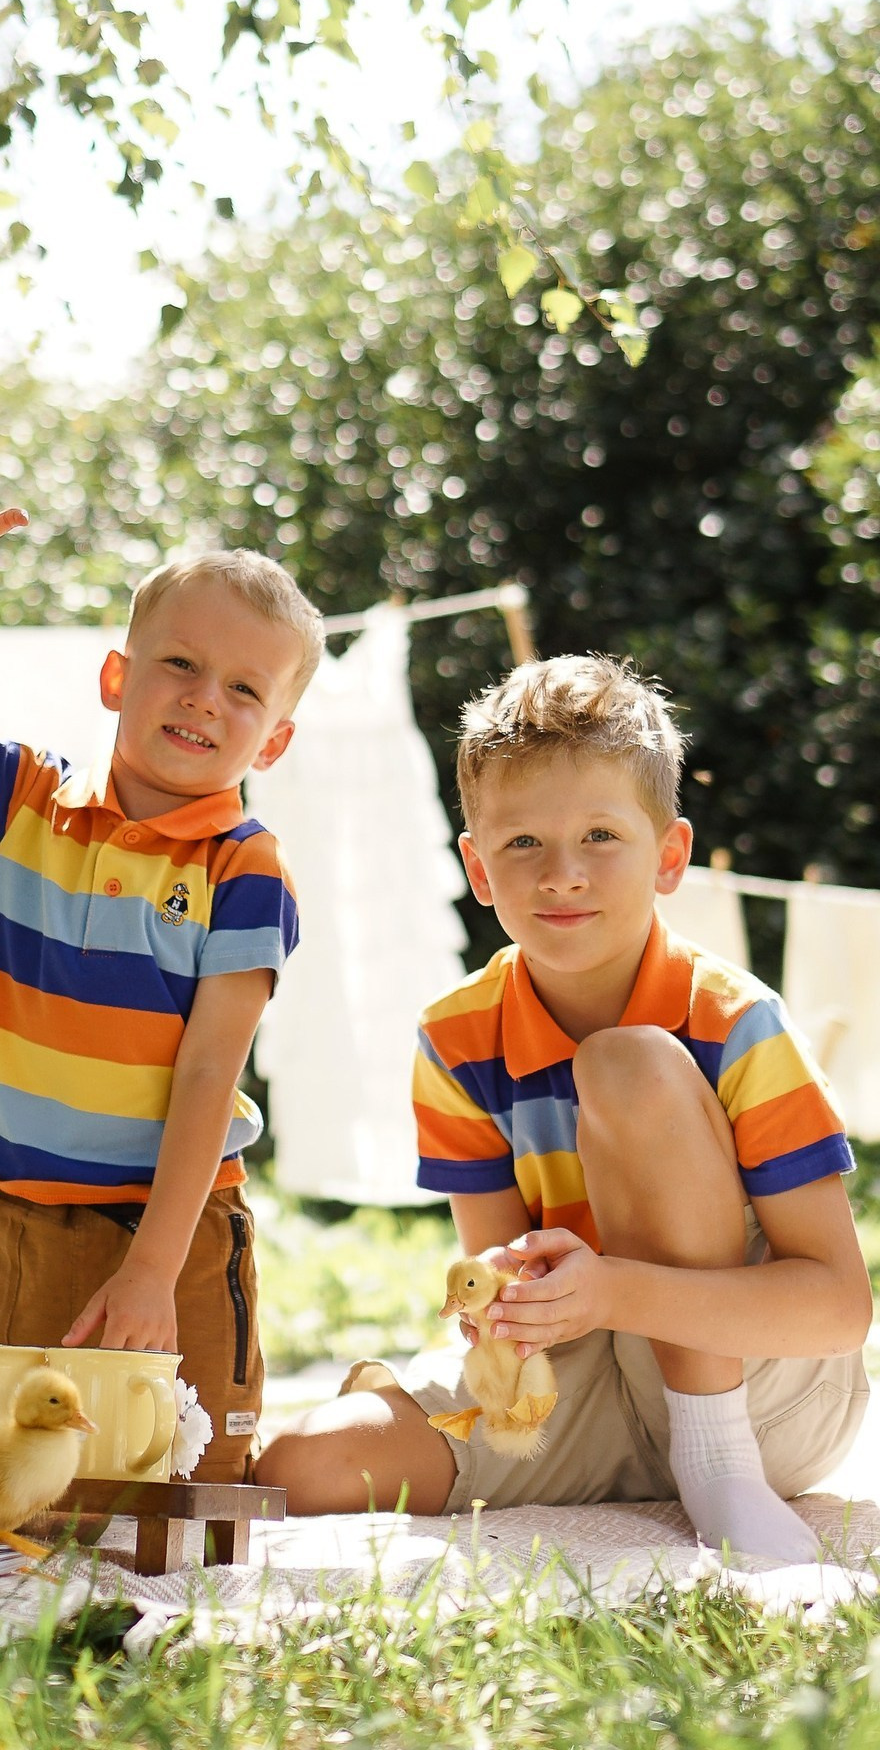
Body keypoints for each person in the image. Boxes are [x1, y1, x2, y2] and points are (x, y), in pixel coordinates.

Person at [255, 654, 871, 1561]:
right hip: (582, 1387)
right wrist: (505, 1302)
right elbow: (494, 1266)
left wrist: (614, 1288)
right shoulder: (457, 1039)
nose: (562, 875)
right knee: (298, 1465)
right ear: (477, 866)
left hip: (762, 1393)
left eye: (601, 838)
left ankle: (715, 1468)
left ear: (670, 856)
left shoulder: (736, 1022)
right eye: (523, 845)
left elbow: (837, 1310)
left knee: (627, 1065)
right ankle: (649, 1469)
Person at [0, 487, 324, 1482]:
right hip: (14, 1219)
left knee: (184, 1488)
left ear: (271, 740)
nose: (202, 698)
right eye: (179, 664)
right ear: (116, 675)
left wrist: (148, 1269)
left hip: (174, 1232)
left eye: (242, 689)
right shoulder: (17, 800)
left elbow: (206, 1078)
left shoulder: (245, 868)